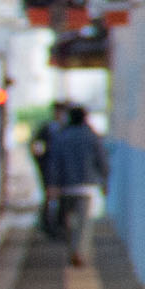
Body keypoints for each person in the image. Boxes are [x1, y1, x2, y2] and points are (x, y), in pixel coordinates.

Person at [43, 105, 109, 266]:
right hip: (87, 187)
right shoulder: (92, 137)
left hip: (65, 187)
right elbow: (102, 162)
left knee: (67, 221)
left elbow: (53, 163)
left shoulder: (60, 136)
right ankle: (78, 251)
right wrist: (104, 182)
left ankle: (72, 248)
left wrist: (51, 184)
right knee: (84, 222)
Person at [29, 102, 66, 238]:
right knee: (49, 196)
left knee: (62, 198)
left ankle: (58, 225)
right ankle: (47, 226)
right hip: (49, 168)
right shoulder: (48, 129)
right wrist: (41, 160)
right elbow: (35, 146)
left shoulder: (65, 128)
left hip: (63, 170)